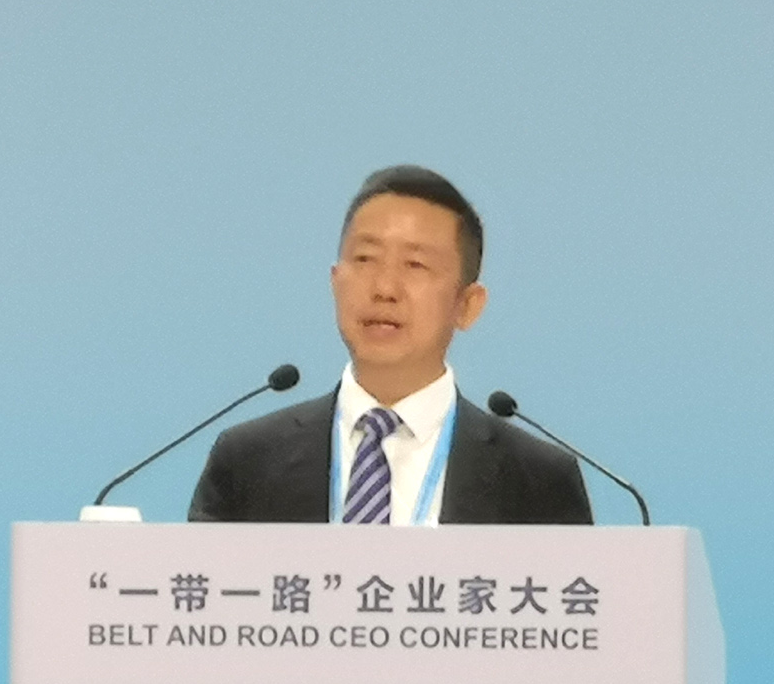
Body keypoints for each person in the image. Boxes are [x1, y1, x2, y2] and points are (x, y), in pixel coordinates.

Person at [187, 166, 593, 525]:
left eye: (415, 265)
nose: (384, 288)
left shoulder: (539, 480)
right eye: (365, 259)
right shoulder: (247, 461)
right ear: (335, 282)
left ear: (467, 305)